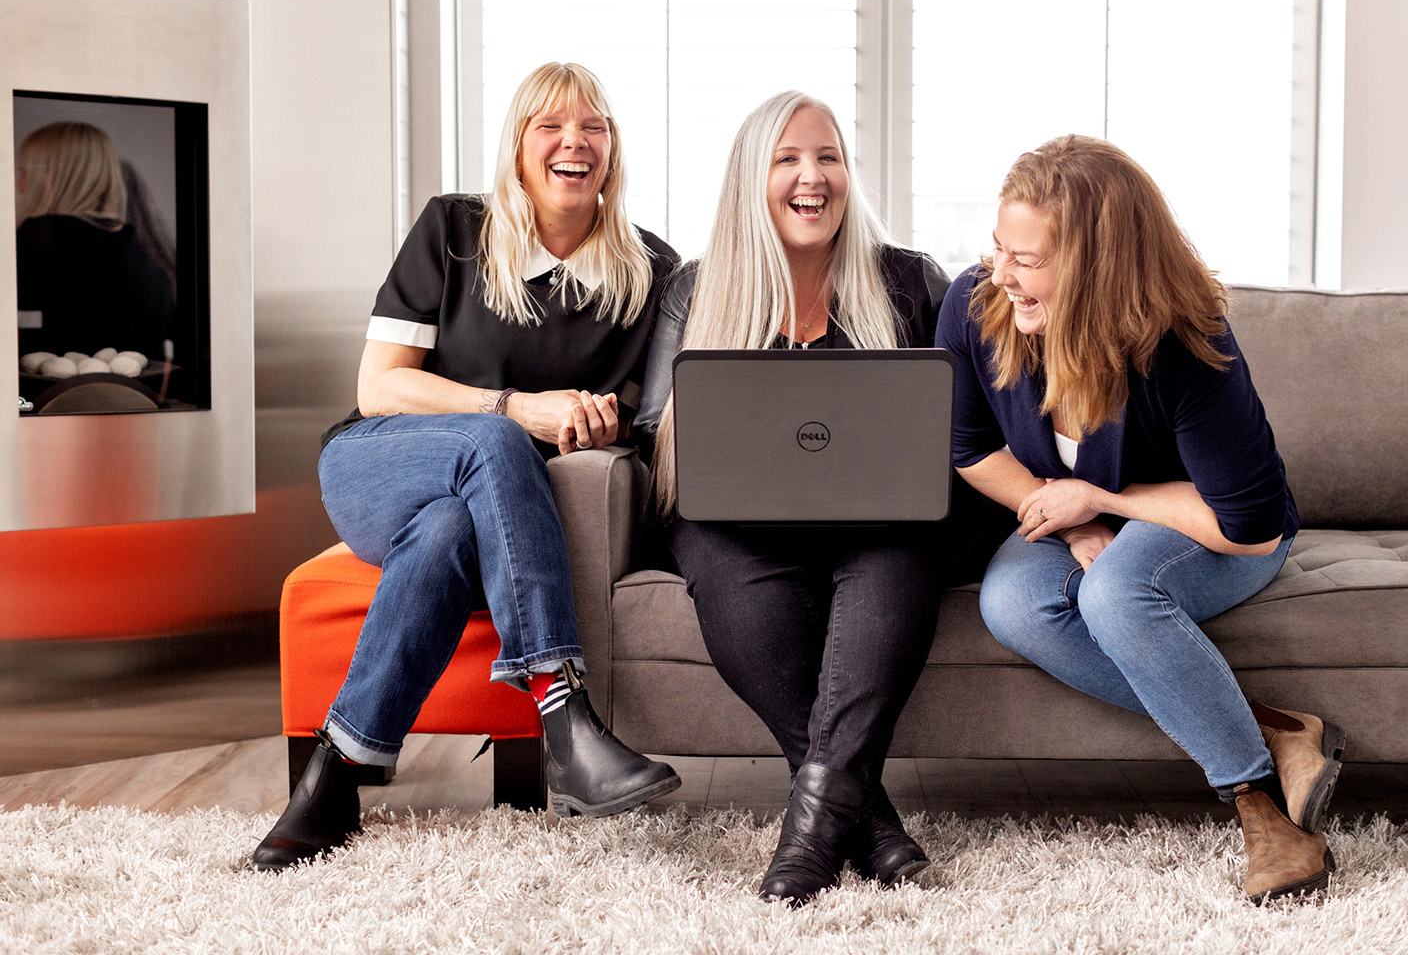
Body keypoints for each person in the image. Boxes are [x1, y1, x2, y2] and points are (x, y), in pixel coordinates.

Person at [251, 63, 682, 871]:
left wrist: (601, 420)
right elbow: (378, 387)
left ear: (613, 151)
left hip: (475, 510)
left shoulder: (650, 272)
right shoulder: (453, 229)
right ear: (518, 148)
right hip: (377, 464)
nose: (573, 142)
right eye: (549, 125)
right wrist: (518, 408)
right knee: (492, 437)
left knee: (451, 528)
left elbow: (644, 417)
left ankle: (335, 773)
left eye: (594, 126)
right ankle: (563, 712)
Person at [937, 134, 1346, 904]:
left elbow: (1247, 522)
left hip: (1208, 527)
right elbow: (971, 449)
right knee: (1011, 605)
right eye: (999, 249)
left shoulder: (1185, 341)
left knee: (1117, 593)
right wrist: (1074, 524)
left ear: (1094, 264)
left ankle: (1261, 810)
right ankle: (1276, 731)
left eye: (1027, 259)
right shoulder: (976, 305)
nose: (1002, 274)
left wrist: (1101, 503)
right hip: (1079, 516)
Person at [635, 91, 972, 906]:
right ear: (753, 178)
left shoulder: (907, 280)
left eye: (828, 158)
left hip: (882, 522)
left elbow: (952, 417)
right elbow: (655, 426)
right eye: (787, 159)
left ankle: (812, 839)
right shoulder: (696, 288)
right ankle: (871, 821)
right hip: (736, 525)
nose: (811, 177)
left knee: (900, 559)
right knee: (723, 568)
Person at [14, 121, 173, 361]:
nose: (18, 183)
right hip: (132, 392)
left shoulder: (38, 237)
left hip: (54, 394)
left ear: (49, 178)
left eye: (24, 170)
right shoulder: (139, 245)